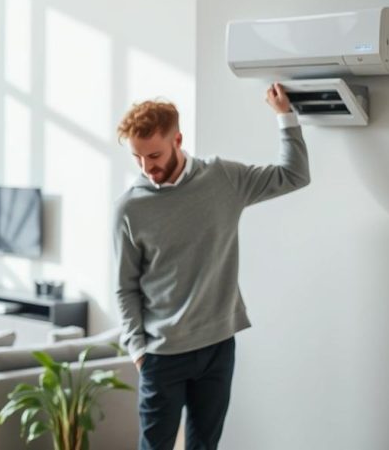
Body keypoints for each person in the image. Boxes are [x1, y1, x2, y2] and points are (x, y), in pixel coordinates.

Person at [114, 84, 310, 450]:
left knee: (205, 446)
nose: (147, 167)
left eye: (153, 155)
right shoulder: (130, 208)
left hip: (218, 346)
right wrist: (138, 350)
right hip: (161, 353)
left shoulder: (223, 179)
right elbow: (125, 287)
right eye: (137, 158)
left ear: (178, 140)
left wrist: (285, 116)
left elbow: (294, 175)